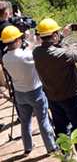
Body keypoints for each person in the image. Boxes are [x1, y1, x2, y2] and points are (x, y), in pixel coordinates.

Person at [33, 18, 77, 162]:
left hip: (52, 97)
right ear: (54, 35)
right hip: (71, 96)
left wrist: (61, 36)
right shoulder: (62, 54)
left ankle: (66, 156)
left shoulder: (37, 52)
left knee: (61, 129)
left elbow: (50, 47)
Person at [1, 25, 58, 154]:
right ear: (17, 40)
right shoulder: (25, 57)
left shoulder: (5, 58)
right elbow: (29, 55)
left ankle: (27, 147)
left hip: (19, 94)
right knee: (43, 120)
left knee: (25, 122)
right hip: (35, 92)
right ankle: (51, 147)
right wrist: (36, 42)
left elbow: (23, 54)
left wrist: (33, 42)